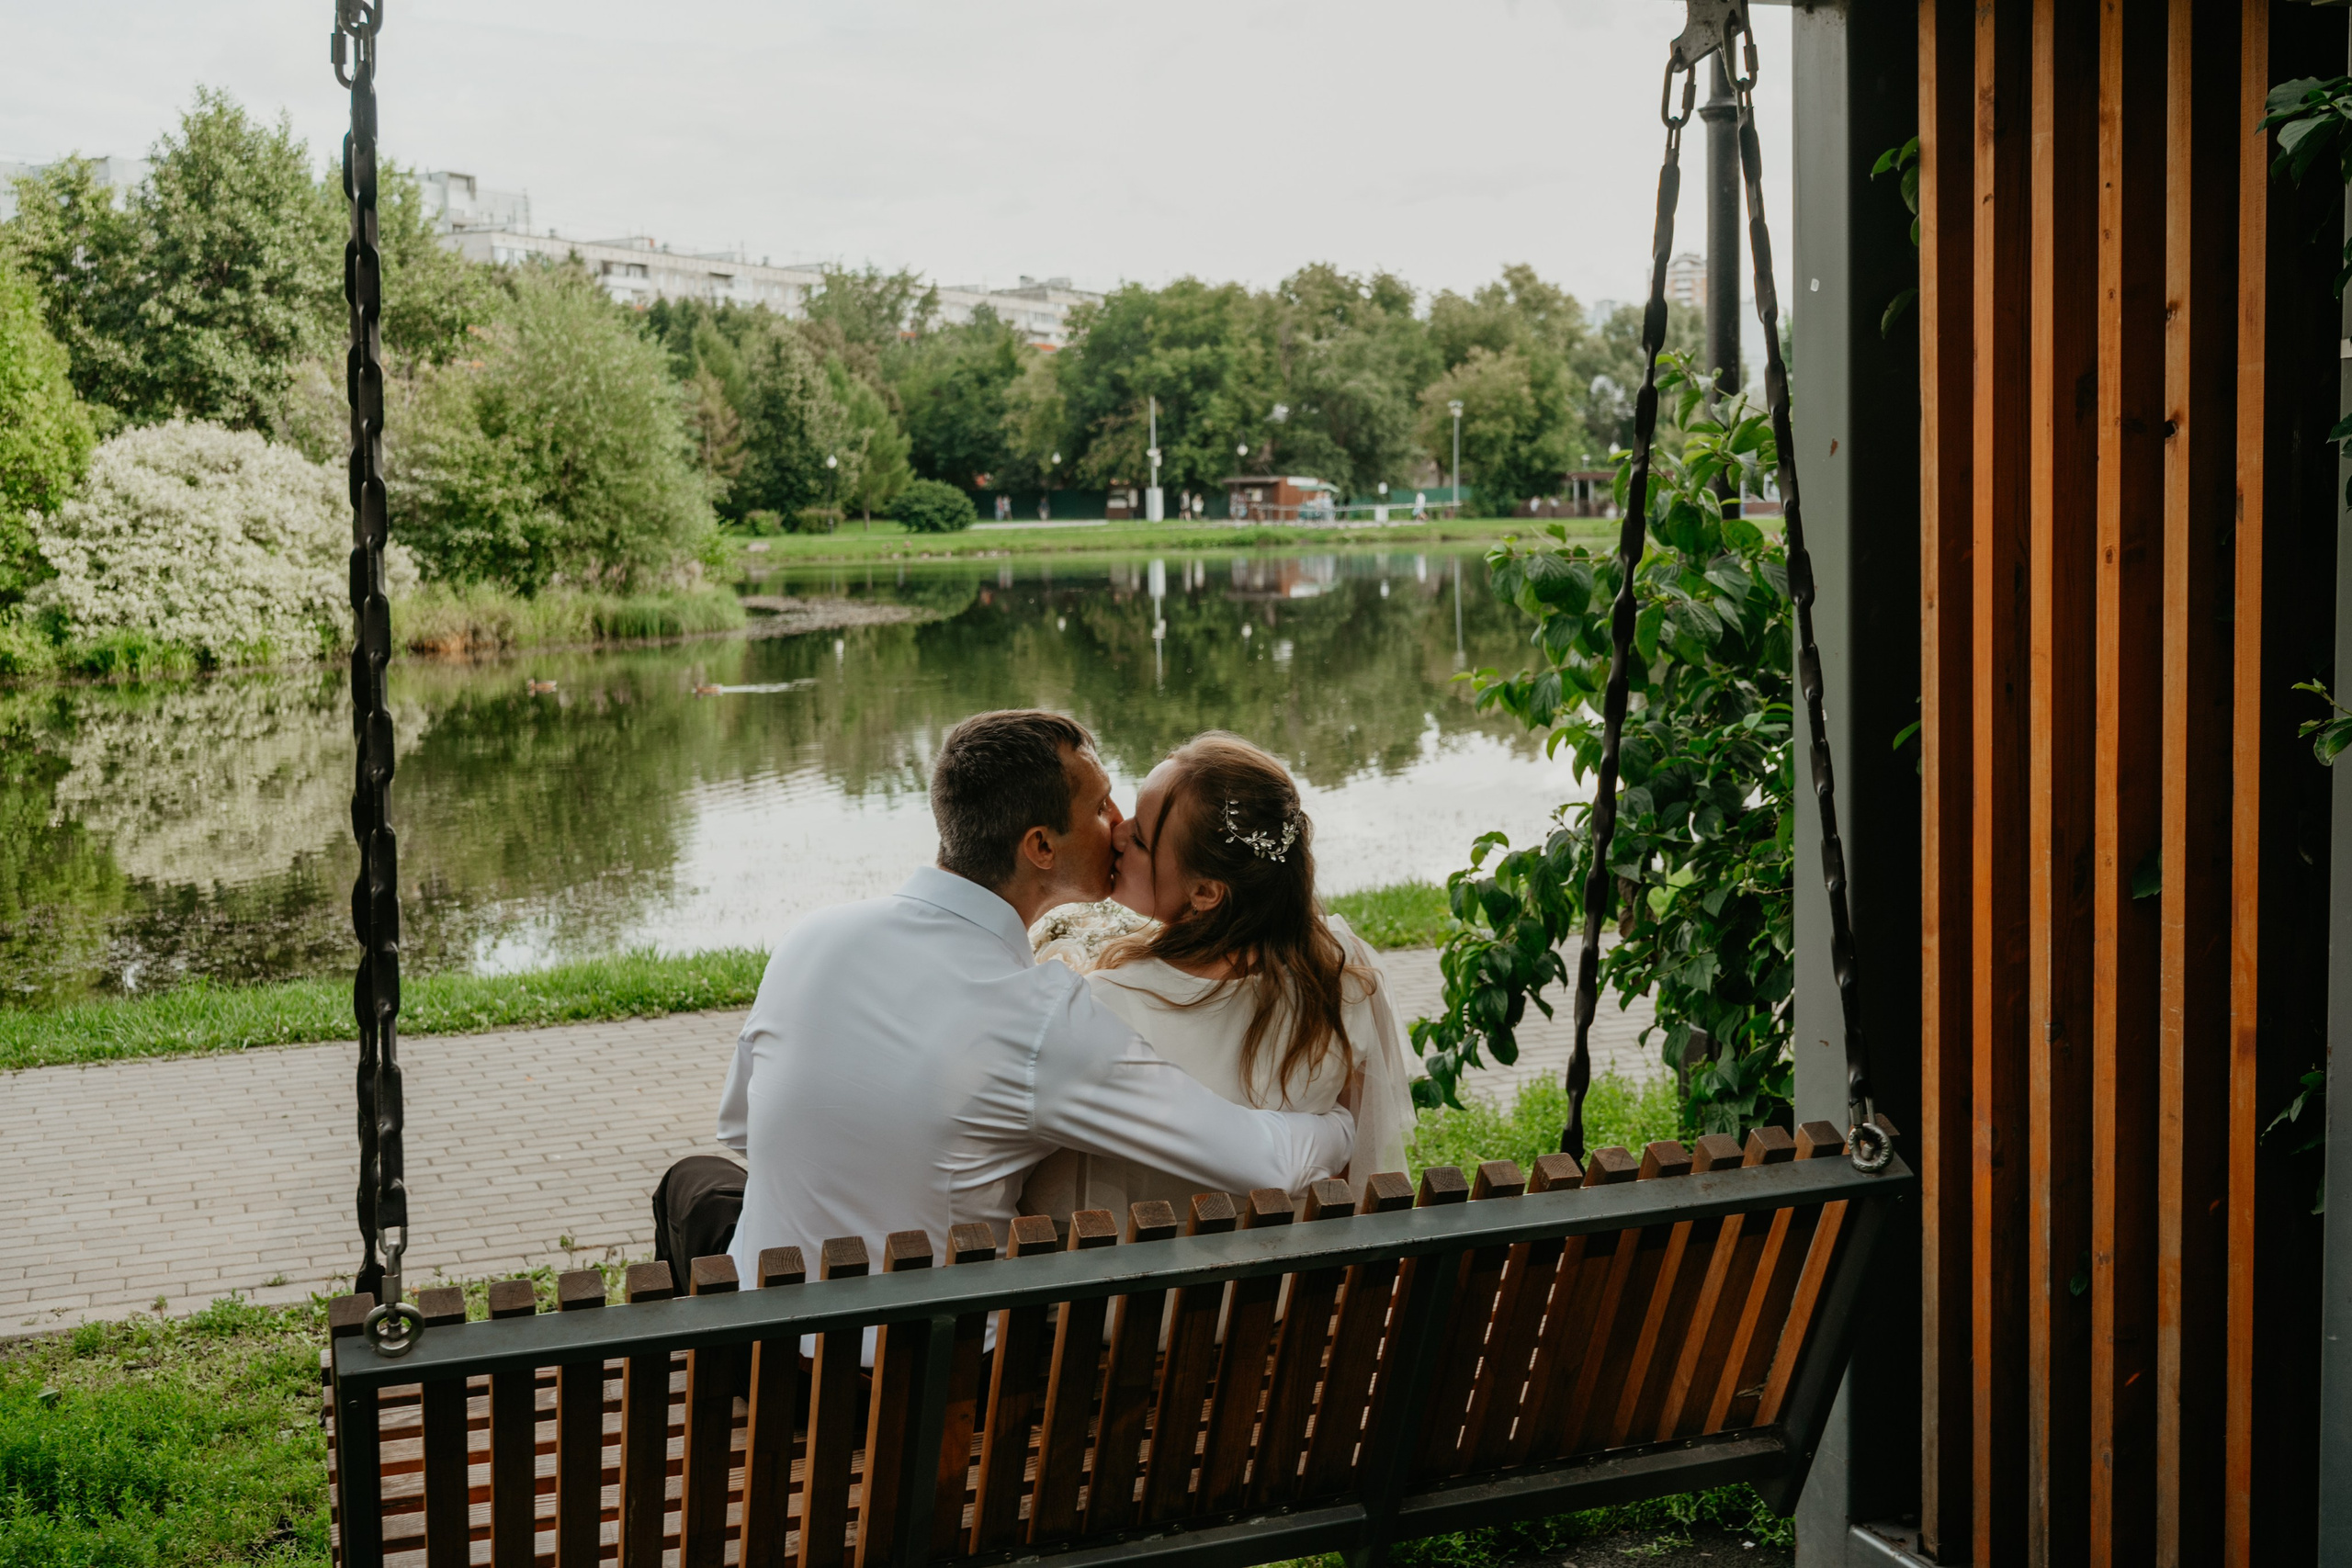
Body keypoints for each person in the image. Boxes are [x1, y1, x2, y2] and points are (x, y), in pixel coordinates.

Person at [699, 710, 1355, 1296]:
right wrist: (1343, 1124)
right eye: (1101, 807)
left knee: (696, 1188)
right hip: (935, 1363)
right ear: (1041, 846)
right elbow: (1266, 1163)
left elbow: (741, 1129)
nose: (1119, 825)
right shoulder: (1041, 1021)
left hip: (766, 1342)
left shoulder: (813, 937)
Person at [1020, 733, 1413, 1226]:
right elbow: (1355, 1168)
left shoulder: (1105, 1005)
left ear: (1205, 892)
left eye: (1140, 839)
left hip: (1142, 1275)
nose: (1117, 833)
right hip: (1293, 1269)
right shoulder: (1341, 971)